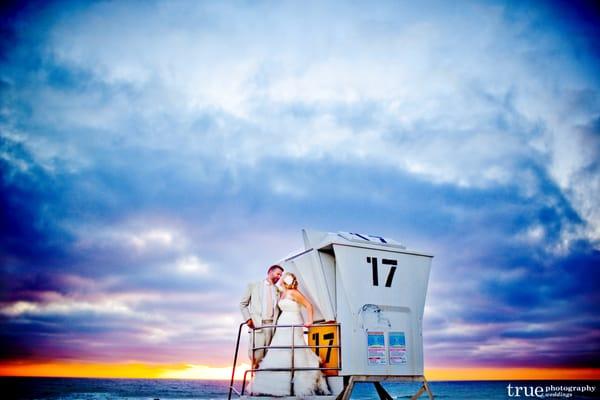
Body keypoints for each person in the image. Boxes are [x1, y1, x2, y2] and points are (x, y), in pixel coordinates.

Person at [250, 272, 330, 397]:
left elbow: (308, 305)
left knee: (295, 349)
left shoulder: (294, 293)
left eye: (289, 280)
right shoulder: (282, 293)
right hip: (283, 322)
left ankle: (299, 384)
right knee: (280, 349)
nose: (287, 282)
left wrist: (309, 321)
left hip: (293, 320)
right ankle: (275, 385)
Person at [240, 264, 284, 369]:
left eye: (280, 275)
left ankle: (265, 382)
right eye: (278, 274)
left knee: (269, 358)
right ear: (270, 272)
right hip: (257, 326)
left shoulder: (278, 290)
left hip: (272, 327)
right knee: (256, 357)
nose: (279, 277)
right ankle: (254, 382)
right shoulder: (253, 285)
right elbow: (242, 304)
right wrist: (248, 319)